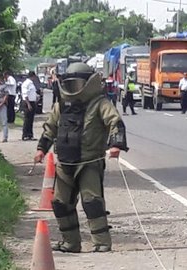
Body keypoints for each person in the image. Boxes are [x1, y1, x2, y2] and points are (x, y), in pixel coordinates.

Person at [33, 63, 128, 253]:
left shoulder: (100, 103)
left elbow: (115, 123)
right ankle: (71, 242)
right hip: (64, 163)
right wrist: (41, 149)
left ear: (89, 83)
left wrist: (116, 145)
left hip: (89, 162)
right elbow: (49, 129)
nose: (74, 88)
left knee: (92, 202)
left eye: (78, 84)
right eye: (70, 84)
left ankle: (101, 242)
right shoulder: (61, 105)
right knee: (60, 204)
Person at [21, 71, 38, 141]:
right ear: (32, 76)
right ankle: (25, 134)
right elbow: (25, 95)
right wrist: (28, 104)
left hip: (32, 102)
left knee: (31, 120)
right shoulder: (26, 83)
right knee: (27, 119)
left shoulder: (31, 84)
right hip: (28, 102)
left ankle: (30, 134)